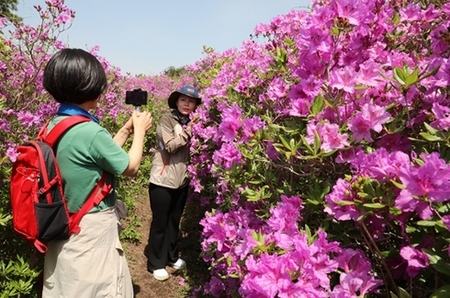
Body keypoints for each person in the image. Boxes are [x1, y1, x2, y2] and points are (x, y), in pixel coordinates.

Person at [41, 48, 153, 297]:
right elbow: (130, 167)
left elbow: (97, 158)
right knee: (98, 287)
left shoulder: (56, 124)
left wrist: (125, 131)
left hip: (62, 222)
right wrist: (141, 130)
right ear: (87, 87)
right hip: (90, 230)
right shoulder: (90, 131)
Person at [145, 85, 201, 281]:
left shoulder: (195, 121)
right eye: (183, 100)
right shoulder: (166, 120)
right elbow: (170, 146)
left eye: (191, 101)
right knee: (160, 222)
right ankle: (156, 263)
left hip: (181, 181)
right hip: (163, 180)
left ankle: (171, 256)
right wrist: (189, 131)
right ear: (176, 102)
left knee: (174, 221)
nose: (187, 104)